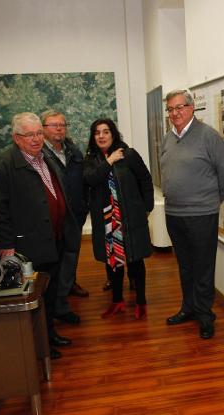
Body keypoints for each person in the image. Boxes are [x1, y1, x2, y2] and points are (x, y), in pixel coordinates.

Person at [0, 112, 79, 360]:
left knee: (50, 293)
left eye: (39, 133)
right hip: (29, 246)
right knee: (32, 298)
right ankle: (36, 346)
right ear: (16, 138)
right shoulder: (5, 165)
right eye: (30, 135)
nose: (37, 139)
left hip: (54, 240)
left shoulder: (44, 157)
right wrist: (6, 245)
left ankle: (49, 335)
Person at [160, 89, 224, 339]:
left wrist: (212, 201)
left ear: (192, 108)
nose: (175, 113)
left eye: (179, 107)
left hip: (202, 214)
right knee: (185, 266)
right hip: (174, 213)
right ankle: (188, 308)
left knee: (203, 267)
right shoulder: (168, 138)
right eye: (170, 109)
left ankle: (205, 315)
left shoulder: (208, 136)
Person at [83, 118, 154, 320]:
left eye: (106, 132)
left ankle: (141, 302)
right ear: (93, 137)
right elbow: (90, 179)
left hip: (130, 218)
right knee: (112, 261)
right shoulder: (91, 160)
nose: (102, 136)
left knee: (135, 259)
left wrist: (146, 206)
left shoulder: (129, 154)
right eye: (97, 133)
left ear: (113, 134)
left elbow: (145, 179)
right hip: (106, 220)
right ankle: (117, 301)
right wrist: (109, 161)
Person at [41, 110, 89, 327]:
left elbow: (84, 180)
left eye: (62, 124)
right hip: (51, 221)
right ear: (43, 128)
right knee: (52, 264)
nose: (59, 128)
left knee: (70, 258)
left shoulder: (74, 152)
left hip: (75, 216)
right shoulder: (39, 155)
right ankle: (50, 308)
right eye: (54, 125)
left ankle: (61, 304)